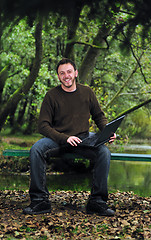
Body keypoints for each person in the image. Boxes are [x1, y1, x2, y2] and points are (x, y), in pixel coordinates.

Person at [23, 58, 116, 216]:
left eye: (69, 72)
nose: (66, 76)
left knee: (104, 152)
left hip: (83, 138)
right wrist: (64, 138)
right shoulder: (51, 96)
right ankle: (40, 201)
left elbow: (99, 116)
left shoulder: (87, 92)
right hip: (57, 139)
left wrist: (108, 132)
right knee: (36, 149)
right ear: (58, 76)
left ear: (76, 73)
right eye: (62, 73)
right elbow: (43, 126)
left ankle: (97, 202)